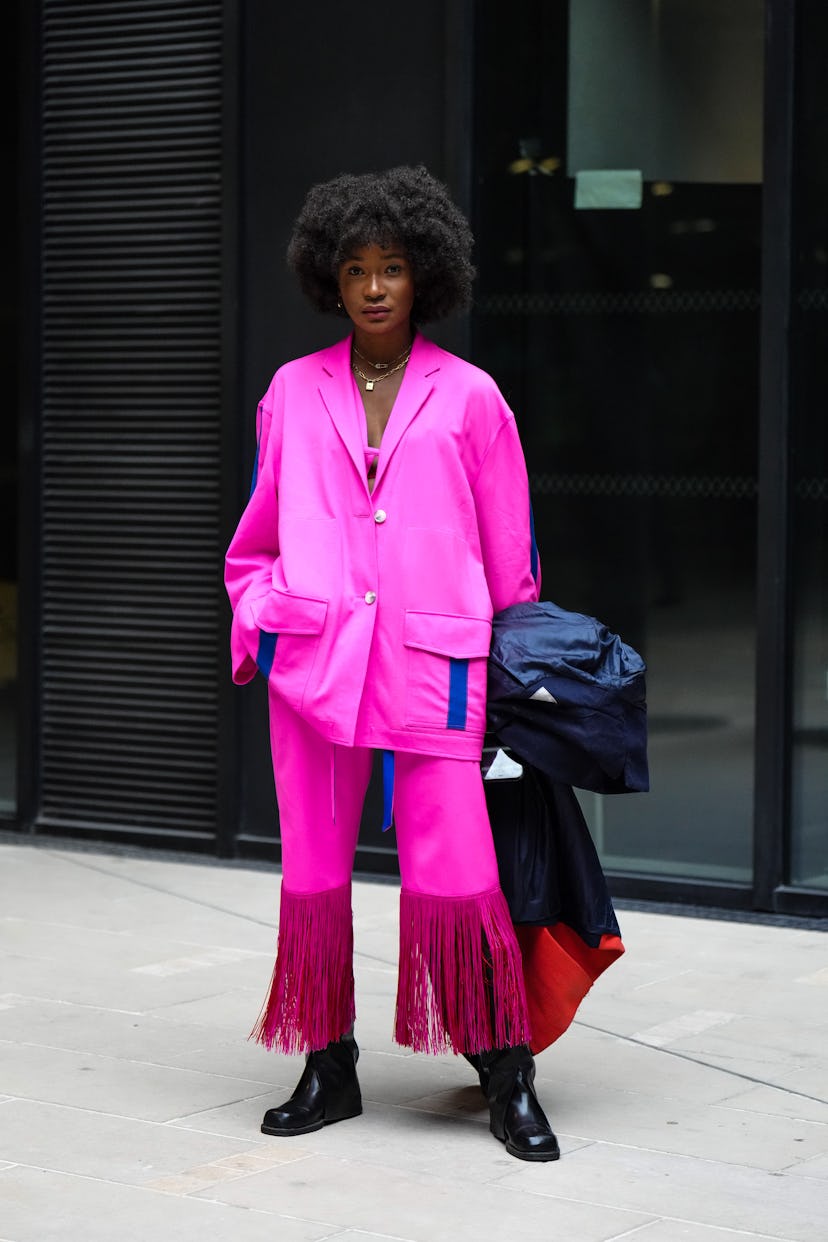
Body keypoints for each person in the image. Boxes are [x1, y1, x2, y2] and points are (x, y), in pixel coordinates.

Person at [224, 165, 559, 1162]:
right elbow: (255, 541)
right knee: (314, 872)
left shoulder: (471, 399)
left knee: (459, 872)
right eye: (357, 269)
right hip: (316, 666)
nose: (374, 287)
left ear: (427, 278)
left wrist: (514, 676)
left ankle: (506, 1070)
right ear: (332, 276)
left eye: (394, 269)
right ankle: (330, 1066)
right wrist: (266, 620)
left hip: (436, 665)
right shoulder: (291, 392)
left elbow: (512, 557)